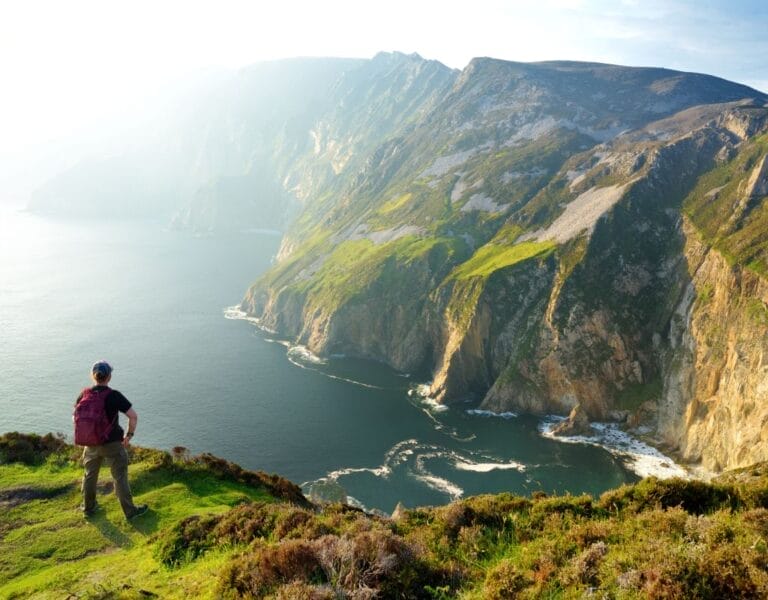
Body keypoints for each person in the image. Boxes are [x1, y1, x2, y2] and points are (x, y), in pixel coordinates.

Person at [74, 360, 148, 519]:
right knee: (120, 477)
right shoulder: (114, 395)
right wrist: (129, 436)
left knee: (89, 476)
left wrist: (88, 434)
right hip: (112, 444)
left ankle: (88, 508)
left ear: (92, 376)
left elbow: (76, 417)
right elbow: (133, 416)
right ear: (109, 377)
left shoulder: (84, 394)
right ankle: (130, 512)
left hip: (90, 444)